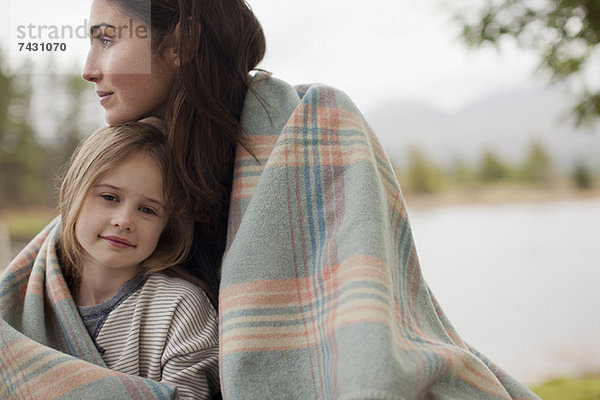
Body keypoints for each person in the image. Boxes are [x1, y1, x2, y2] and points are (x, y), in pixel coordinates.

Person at [0, 0, 540, 399]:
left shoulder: (314, 125)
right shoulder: (136, 167)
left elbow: (362, 324)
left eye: (107, 38)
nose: (88, 66)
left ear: (179, 44)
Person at [57, 121, 219, 399]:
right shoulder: (36, 292)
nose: (124, 221)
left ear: (167, 225)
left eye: (147, 209)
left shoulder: (180, 307)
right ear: (75, 194)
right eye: (109, 197)